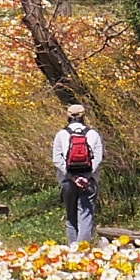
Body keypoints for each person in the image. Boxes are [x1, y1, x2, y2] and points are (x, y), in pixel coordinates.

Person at [53, 104, 105, 245]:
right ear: (83, 116)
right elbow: (98, 158)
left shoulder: (61, 135)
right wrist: (86, 177)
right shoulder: (93, 134)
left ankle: (73, 253)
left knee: (71, 217)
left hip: (67, 181)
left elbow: (57, 160)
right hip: (90, 181)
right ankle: (83, 253)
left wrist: (72, 177)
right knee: (85, 217)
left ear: (68, 116)